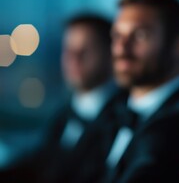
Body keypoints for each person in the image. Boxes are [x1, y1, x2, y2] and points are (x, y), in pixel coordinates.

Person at [0, 14, 121, 182]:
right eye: (69, 50)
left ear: (110, 54)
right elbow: (39, 160)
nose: (74, 59)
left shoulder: (123, 118)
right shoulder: (64, 112)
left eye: (85, 50)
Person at [104, 0, 179, 183]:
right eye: (117, 35)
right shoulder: (114, 106)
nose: (121, 48)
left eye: (140, 35)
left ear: (178, 45)